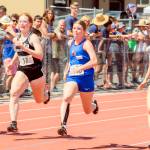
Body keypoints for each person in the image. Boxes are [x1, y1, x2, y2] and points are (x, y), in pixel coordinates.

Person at [7, 13, 50, 132]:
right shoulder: (17, 37)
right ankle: (13, 123)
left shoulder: (33, 37)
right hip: (23, 70)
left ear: (30, 24)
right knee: (14, 93)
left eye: (25, 21)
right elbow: (18, 51)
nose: (22, 23)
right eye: (20, 21)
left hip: (35, 72)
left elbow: (40, 55)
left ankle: (46, 93)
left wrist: (25, 47)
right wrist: (12, 63)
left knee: (39, 100)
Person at [57, 20, 99, 136]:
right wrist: (66, 70)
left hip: (86, 78)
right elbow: (71, 60)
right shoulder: (70, 43)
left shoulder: (86, 44)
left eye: (79, 28)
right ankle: (63, 126)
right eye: (74, 28)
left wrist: (82, 68)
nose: (76, 31)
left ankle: (94, 105)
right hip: (73, 77)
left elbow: (95, 61)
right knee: (66, 97)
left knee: (87, 110)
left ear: (84, 31)